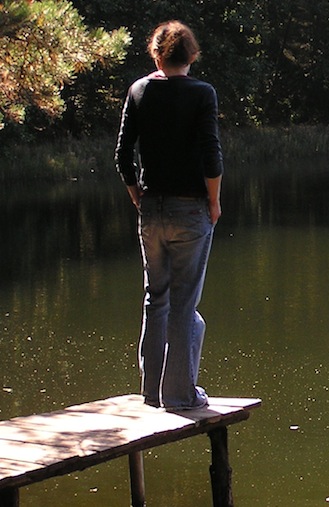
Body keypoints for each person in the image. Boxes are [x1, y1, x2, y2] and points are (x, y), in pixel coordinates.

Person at [114, 20, 223, 410]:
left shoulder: (139, 90)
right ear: (191, 55)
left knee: (155, 298)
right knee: (183, 304)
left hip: (152, 207)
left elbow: (123, 155)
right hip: (190, 208)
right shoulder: (202, 93)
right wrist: (214, 201)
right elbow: (211, 154)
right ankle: (179, 396)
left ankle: (151, 392)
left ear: (156, 54)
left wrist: (136, 194)